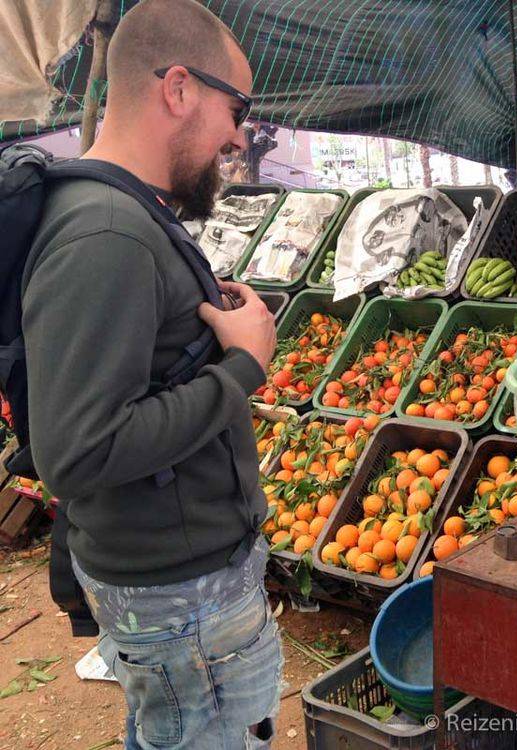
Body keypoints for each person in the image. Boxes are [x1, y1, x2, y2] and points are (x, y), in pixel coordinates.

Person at [21, 1, 282, 747]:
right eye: (238, 107)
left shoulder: (128, 214)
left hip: (182, 591)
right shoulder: (107, 234)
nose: (240, 133)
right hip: (181, 599)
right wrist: (241, 368)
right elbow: (76, 452)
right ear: (178, 88)